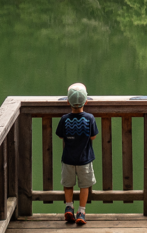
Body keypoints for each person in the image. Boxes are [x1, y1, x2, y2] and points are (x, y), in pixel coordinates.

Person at [56, 82, 98, 226]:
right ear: (86, 101)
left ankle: (69, 207)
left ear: (68, 101)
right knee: (84, 186)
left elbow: (61, 136)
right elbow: (93, 136)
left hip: (68, 159)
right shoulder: (90, 118)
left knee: (68, 185)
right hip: (84, 160)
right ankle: (81, 211)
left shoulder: (64, 119)